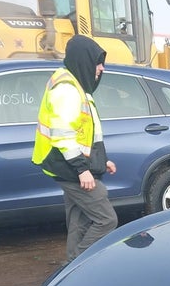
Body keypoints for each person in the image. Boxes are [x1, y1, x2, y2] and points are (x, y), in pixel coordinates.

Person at [32, 35, 117, 263]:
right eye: (98, 62)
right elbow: (63, 135)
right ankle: (80, 262)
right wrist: (82, 169)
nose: (101, 68)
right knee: (106, 220)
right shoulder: (67, 90)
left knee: (79, 219)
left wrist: (101, 161)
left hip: (69, 165)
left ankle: (72, 264)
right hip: (70, 166)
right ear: (84, 60)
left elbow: (85, 133)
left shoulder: (77, 85)